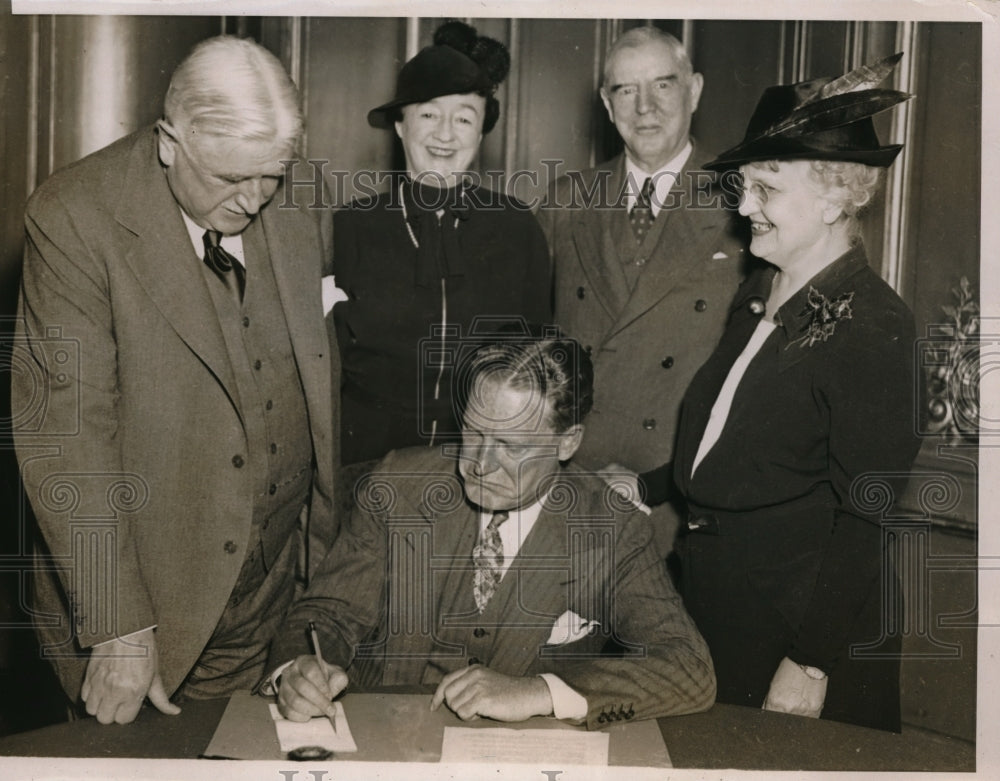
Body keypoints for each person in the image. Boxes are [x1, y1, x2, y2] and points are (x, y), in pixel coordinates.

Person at [12, 36, 338, 725]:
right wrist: (119, 626)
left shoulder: (294, 191)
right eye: (230, 178)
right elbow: (66, 438)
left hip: (274, 595)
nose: (255, 199)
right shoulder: (73, 216)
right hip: (149, 608)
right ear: (169, 142)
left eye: (271, 174)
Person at [618, 53, 919, 731]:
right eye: (743, 184)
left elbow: (870, 512)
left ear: (838, 195)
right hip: (720, 602)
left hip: (800, 629)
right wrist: (647, 485)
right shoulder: (759, 291)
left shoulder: (874, 324)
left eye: (767, 188)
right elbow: (745, 439)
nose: (743, 205)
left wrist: (811, 662)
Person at [267, 334, 715, 728]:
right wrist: (299, 670)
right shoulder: (398, 487)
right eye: (473, 433)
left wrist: (540, 692)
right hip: (379, 740)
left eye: (511, 447)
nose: (480, 465)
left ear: (567, 442)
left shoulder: (612, 528)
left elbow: (689, 669)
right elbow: (328, 613)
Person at [539, 26, 746, 558]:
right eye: (626, 91)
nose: (645, 107)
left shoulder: (744, 199)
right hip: (574, 483)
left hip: (678, 490)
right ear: (607, 106)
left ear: (695, 91)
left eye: (663, 85)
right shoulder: (566, 201)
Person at [332, 20, 551, 468]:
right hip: (364, 468)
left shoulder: (516, 228)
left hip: (480, 467)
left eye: (464, 118)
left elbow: (535, 361)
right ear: (399, 124)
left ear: (481, 131)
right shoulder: (349, 227)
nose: (445, 134)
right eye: (429, 114)